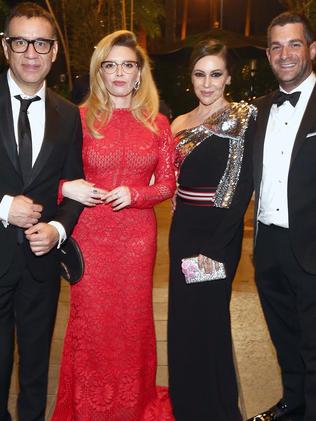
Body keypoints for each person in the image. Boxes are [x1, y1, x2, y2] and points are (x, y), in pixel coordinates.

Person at [51, 30, 176, 420]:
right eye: (110, 65)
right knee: (92, 324)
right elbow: (47, 178)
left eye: (128, 65)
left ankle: (131, 403)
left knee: (133, 324)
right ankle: (89, 407)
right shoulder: (79, 119)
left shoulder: (158, 124)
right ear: (99, 72)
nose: (119, 73)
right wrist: (66, 188)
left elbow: (169, 184)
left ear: (140, 73)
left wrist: (137, 195)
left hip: (137, 242)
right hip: (89, 237)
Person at [0, 3, 84, 421]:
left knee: (35, 371)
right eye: (20, 41)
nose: (31, 52)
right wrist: (3, 206)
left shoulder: (70, 116)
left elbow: (73, 188)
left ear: (53, 52)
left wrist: (57, 229)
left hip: (41, 265)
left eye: (41, 43)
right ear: (5, 47)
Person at [167, 39, 256, 421]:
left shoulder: (243, 117)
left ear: (228, 77)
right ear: (190, 78)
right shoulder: (178, 123)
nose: (207, 83)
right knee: (183, 320)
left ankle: (217, 409)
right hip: (182, 231)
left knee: (209, 319)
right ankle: (187, 406)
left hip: (217, 237)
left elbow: (241, 188)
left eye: (215, 74)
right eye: (200, 74)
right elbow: (171, 184)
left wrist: (216, 250)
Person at [247, 12, 316, 421]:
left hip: (310, 245)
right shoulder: (259, 110)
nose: (285, 54)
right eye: (276, 46)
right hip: (268, 245)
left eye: (293, 44)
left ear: (311, 49)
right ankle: (293, 402)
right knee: (284, 336)